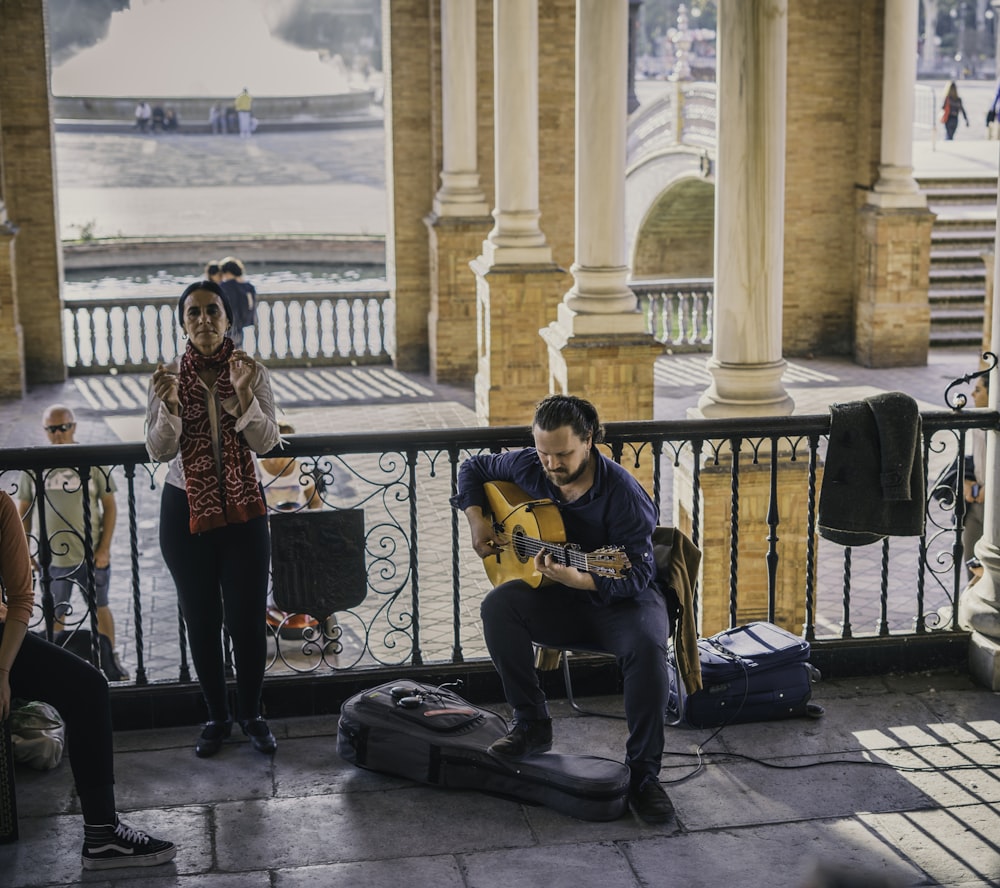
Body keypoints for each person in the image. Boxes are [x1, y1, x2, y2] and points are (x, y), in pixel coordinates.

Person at [450, 394, 675, 824]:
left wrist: (583, 578)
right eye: (544, 452)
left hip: (621, 598)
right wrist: (477, 519)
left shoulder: (623, 493)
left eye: (563, 454)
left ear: (588, 440)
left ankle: (645, 776)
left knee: (648, 648)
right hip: (559, 595)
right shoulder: (529, 467)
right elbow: (473, 467)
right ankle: (532, 724)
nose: (551, 464)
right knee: (499, 607)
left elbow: (637, 574)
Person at [0, 490, 176, 869]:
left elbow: (19, 600)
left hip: (0, 638)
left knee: (88, 685)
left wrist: (2, 672)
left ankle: (101, 833)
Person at [146, 280, 280, 758]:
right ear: (183, 323)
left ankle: (252, 714)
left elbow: (267, 445)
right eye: (193, 313)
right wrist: (171, 408)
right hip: (185, 508)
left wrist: (244, 396)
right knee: (200, 618)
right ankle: (217, 716)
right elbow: (160, 450)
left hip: (244, 508)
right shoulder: (166, 378)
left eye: (211, 311)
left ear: (228, 319)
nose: (203, 320)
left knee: (246, 619)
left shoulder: (251, 370)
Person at [16, 404, 128, 681]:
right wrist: (26, 551)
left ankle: (110, 658)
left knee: (100, 607)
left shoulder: (90, 460)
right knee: (56, 612)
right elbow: (25, 511)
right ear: (45, 431)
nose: (58, 434)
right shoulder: (35, 465)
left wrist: (104, 549)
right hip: (53, 558)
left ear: (74, 427)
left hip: (91, 555)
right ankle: (59, 666)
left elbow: (110, 506)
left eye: (63, 428)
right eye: (52, 429)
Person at [260, 420, 324, 639]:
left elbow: (315, 501)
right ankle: (273, 605)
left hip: (296, 528)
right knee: (268, 558)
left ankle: (304, 603)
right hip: (268, 528)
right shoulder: (259, 469)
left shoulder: (300, 468)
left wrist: (312, 519)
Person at [963, 371, 990, 579]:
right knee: (971, 562)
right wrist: (967, 480)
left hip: (995, 504)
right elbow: (975, 458)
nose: (972, 394)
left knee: (990, 568)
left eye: (978, 389)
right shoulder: (978, 423)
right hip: (977, 503)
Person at [219, 257, 257, 350]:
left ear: (227, 272)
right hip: (240, 321)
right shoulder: (248, 286)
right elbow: (250, 305)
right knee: (237, 348)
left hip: (227, 322)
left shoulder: (225, 286)